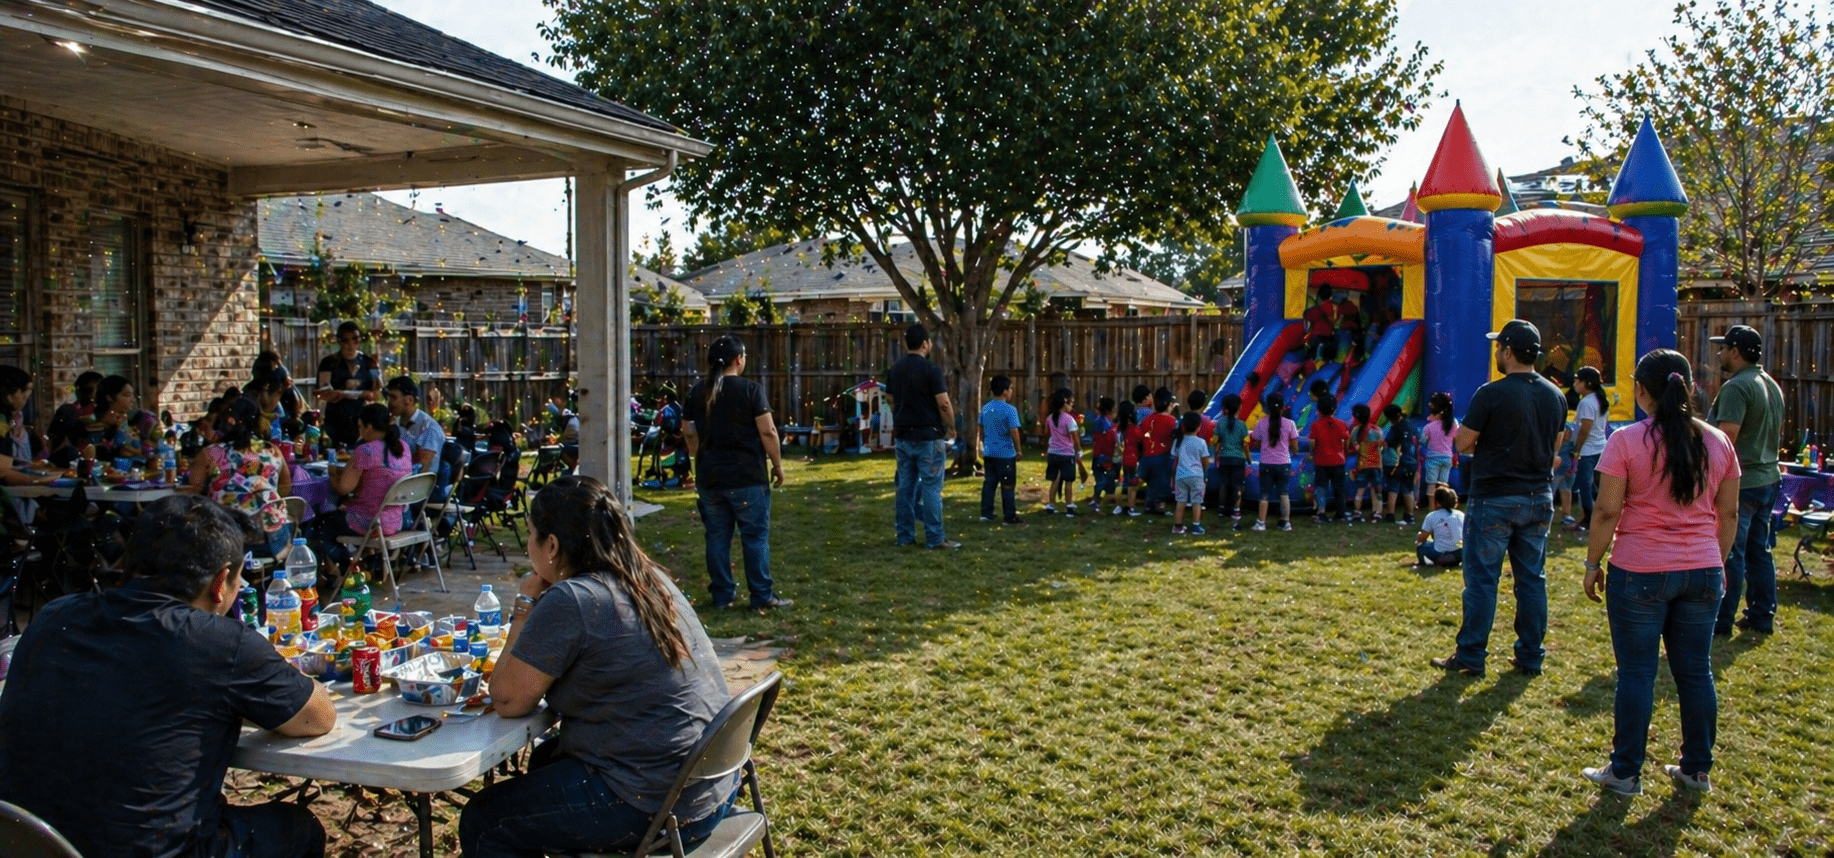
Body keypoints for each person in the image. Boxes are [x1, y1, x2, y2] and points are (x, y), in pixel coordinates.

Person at [0, 495, 335, 858]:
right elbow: (317, 716)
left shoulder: (54, 617)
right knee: (296, 829)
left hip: (27, 843)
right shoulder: (220, 643)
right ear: (222, 581)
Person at [459, 477, 738, 857]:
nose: (527, 547)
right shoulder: (649, 578)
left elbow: (508, 700)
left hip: (654, 803)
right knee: (544, 760)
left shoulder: (571, 598)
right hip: (711, 785)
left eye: (530, 535)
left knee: (485, 820)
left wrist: (524, 606)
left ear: (552, 545)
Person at [1579, 349, 1739, 797]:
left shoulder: (1626, 441)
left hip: (1640, 571)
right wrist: (1717, 562)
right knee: (1695, 672)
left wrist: (1593, 563)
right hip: (1703, 570)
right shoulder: (1718, 441)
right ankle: (1697, 769)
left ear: (1641, 390)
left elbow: (1608, 509)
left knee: (1636, 673)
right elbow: (1728, 513)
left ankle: (1625, 772)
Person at [1432, 319, 1566, 677]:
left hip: (1493, 498)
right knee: (1532, 580)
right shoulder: (1556, 395)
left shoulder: (1490, 393)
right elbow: (1555, 445)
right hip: (1538, 497)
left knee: (1481, 581)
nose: (1496, 352)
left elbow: (1461, 444)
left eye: (1498, 347)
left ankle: (1472, 658)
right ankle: (1530, 657)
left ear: (1507, 351)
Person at [682, 335, 791, 610]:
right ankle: (761, 596)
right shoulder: (750, 390)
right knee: (754, 537)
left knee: (717, 537)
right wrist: (777, 465)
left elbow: (688, 430)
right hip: (747, 477)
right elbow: (768, 430)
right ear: (739, 359)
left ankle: (722, 596)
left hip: (710, 477)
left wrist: (696, 453)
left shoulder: (697, 392)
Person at [1709, 324, 1785, 636]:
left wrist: (1709, 481)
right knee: (1759, 551)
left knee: (1731, 551)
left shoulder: (1736, 387)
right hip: (1769, 478)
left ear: (1736, 352)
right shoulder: (1769, 383)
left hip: (1744, 483)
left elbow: (1725, 441)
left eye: (1723, 348)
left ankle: (1722, 620)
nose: (1719, 353)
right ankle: (1761, 614)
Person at [307, 402, 411, 591]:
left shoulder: (366, 451)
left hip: (371, 522)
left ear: (369, 427)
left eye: (361, 426)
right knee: (341, 510)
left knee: (319, 525)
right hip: (398, 519)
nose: (359, 430)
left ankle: (352, 566)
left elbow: (342, 489)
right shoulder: (403, 447)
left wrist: (331, 473)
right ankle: (363, 563)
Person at [186, 397, 294, 557]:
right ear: (259, 421)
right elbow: (285, 489)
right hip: (275, 538)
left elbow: (193, 494)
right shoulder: (272, 450)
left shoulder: (210, 454)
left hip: (228, 540)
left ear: (228, 421)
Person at [886, 323, 957, 549]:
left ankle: (905, 537)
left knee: (905, 489)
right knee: (931, 489)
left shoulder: (895, 369)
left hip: (904, 437)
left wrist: (901, 414)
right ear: (925, 344)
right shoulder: (931, 370)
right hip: (929, 437)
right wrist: (952, 427)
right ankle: (935, 539)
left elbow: (889, 399)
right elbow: (944, 403)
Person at [315, 320, 380, 447]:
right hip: (335, 422)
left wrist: (340, 393)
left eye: (355, 340)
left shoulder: (369, 363)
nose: (350, 345)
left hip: (361, 422)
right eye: (345, 341)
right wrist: (360, 393)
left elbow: (376, 393)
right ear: (339, 341)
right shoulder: (329, 362)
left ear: (360, 340)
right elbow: (323, 394)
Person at [0, 366, 57, 490]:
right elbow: (3, 472)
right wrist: (39, 481)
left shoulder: (13, 421)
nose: (27, 397)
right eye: (25, 392)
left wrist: (28, 465)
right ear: (10, 395)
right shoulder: (2, 425)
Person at [978, 375, 1024, 526]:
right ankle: (1009, 516)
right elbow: (1014, 431)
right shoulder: (1010, 410)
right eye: (1010, 389)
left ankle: (986, 513)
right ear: (1005, 391)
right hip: (1005, 454)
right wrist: (1018, 450)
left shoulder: (985, 408)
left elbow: (981, 428)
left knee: (989, 483)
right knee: (1008, 485)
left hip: (989, 453)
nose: (1011, 392)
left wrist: (982, 445)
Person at [1570, 365, 1610, 531]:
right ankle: (1590, 516)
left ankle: (1589, 518)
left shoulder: (1586, 402)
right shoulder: (1599, 399)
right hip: (1600, 446)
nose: (1574, 384)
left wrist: (1577, 449)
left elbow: (1585, 428)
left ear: (1585, 383)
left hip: (1588, 450)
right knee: (1594, 485)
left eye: (1577, 381)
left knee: (1584, 486)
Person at [91, 374, 161, 467]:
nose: (133, 400)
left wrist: (139, 451)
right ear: (109, 397)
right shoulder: (95, 423)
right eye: (127, 395)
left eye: (133, 395)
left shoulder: (135, 419)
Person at [1250, 393, 1297, 531]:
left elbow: (1256, 438)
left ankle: (1261, 522)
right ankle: (1285, 522)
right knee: (1284, 493)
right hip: (1284, 463)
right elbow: (1294, 444)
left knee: (1264, 494)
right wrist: (1295, 452)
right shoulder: (1290, 424)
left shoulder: (1261, 423)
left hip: (1266, 463)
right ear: (1283, 407)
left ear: (1267, 408)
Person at [384, 375, 446, 476]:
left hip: (418, 485)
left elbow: (421, 468)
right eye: (388, 397)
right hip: (397, 477)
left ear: (409, 400)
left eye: (393, 397)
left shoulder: (429, 427)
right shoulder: (395, 422)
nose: (389, 402)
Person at [45, 369, 103, 466]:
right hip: (69, 463)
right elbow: (53, 436)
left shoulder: (102, 412)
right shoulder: (68, 410)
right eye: (86, 390)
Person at [1308, 394, 1350, 524]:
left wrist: (1312, 452)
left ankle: (1321, 513)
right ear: (1334, 410)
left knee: (1321, 487)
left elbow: (1312, 443)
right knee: (1339, 487)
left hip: (1321, 461)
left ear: (1318, 410)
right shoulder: (1341, 424)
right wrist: (1344, 452)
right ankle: (1341, 513)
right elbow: (1347, 440)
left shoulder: (1316, 425)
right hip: (1338, 461)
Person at [1041, 388, 1082, 515]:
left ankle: (1051, 505)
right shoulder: (1069, 419)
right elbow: (1074, 438)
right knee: (1068, 480)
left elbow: (1047, 433)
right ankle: (1069, 506)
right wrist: (1079, 451)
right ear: (1063, 404)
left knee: (1055, 480)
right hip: (1066, 454)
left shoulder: (1049, 418)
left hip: (1053, 453)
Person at [1170, 412, 1211, 535]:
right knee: (1196, 501)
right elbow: (1205, 460)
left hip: (1180, 476)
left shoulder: (1178, 441)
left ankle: (1178, 526)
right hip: (1196, 476)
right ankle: (1196, 525)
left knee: (1180, 501)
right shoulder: (1201, 442)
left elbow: (1174, 457)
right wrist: (1204, 471)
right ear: (1199, 427)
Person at [1138, 388, 1177, 515]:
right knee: (1162, 484)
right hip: (1162, 458)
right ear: (1169, 404)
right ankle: (1160, 506)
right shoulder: (1171, 421)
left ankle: (1149, 505)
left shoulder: (1147, 420)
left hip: (1147, 457)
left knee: (1151, 483)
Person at [1215, 393, 1250, 523]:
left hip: (1224, 458)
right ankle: (1236, 510)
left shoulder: (1220, 423)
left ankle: (1221, 508)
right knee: (1237, 485)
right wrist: (1249, 459)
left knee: (1224, 484)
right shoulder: (1242, 425)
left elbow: (1216, 441)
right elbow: (1245, 445)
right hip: (1238, 459)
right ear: (1240, 407)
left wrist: (1218, 454)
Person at [1383, 403, 1420, 525]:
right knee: (1407, 489)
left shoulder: (1397, 427)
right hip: (1411, 462)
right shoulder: (1409, 424)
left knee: (1393, 488)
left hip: (1399, 462)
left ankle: (1390, 514)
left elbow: (1392, 443)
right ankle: (1409, 516)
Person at [1349, 403, 1385, 522]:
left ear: (1357, 418)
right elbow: (1381, 448)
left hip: (1362, 465)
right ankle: (1377, 512)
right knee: (1377, 490)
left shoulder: (1355, 431)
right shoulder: (1377, 431)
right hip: (1376, 465)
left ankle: (1357, 512)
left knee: (1360, 489)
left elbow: (1355, 446)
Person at [1415, 485, 1464, 567]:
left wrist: (1418, 536)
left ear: (1437, 502)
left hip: (1439, 554)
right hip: (1459, 554)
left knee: (1421, 545)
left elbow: (1422, 538)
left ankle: (1424, 562)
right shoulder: (1461, 515)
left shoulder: (1432, 516)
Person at [1421, 391, 1459, 490]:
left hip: (1432, 458)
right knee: (1443, 484)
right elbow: (1456, 437)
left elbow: (1422, 440)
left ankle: (1432, 505)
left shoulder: (1429, 427)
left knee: (1431, 484)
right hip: (1447, 457)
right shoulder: (1453, 424)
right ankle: (1444, 502)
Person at [1087, 396, 1119, 511]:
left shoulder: (1100, 420)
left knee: (1104, 478)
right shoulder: (1104, 422)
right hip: (1104, 456)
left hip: (1099, 455)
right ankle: (1095, 500)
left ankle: (1106, 498)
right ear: (1109, 410)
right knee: (1102, 479)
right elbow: (1106, 440)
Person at [1115, 400, 1143, 516]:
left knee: (1121, 485)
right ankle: (1132, 508)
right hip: (1133, 459)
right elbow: (1141, 442)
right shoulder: (1135, 428)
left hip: (1122, 460)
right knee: (1133, 485)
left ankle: (1118, 507)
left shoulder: (1118, 429)